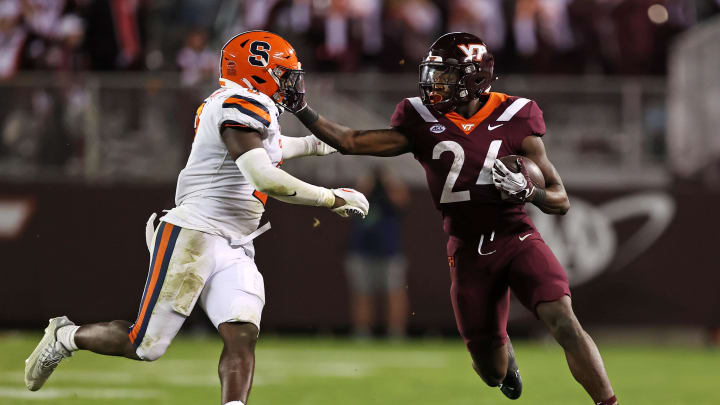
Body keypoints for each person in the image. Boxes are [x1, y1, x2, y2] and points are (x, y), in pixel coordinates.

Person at [24, 30, 369, 405]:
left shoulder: (249, 107)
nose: (291, 85)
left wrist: (315, 145)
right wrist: (331, 199)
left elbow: (271, 147)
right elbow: (263, 176)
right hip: (195, 232)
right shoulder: (235, 105)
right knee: (145, 345)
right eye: (284, 75)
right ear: (259, 72)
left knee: (241, 332)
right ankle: (65, 336)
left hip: (236, 241)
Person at [288, 32, 618, 405]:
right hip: (468, 252)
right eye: (433, 74)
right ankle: (503, 357)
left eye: (445, 76)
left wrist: (531, 193)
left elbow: (560, 199)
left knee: (562, 318)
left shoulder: (516, 115)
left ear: (474, 78)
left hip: (516, 236)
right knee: (491, 371)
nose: (434, 84)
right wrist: (303, 110)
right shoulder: (419, 117)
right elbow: (351, 141)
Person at [345, 167, 410, 339]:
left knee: (395, 292)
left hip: (390, 251)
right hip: (361, 250)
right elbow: (348, 206)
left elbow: (402, 201)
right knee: (361, 293)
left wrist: (388, 182)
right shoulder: (362, 193)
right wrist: (366, 185)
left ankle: (396, 333)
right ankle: (362, 332)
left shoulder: (391, 193)